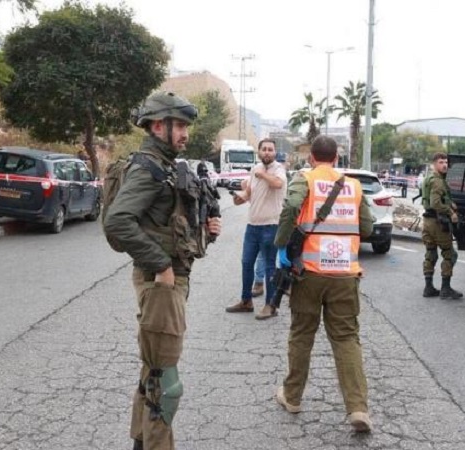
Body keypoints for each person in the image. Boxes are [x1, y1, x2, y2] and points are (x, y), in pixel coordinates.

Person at [104, 91, 222, 450]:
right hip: (161, 283)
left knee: (152, 371)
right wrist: (161, 266)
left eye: (186, 126)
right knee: (165, 383)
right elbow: (118, 222)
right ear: (158, 126)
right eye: (180, 126)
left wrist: (207, 230)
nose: (185, 133)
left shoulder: (165, 165)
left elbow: (169, 225)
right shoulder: (149, 168)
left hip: (168, 280)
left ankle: (141, 443)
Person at [273, 135, 375, 433]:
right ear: (336, 158)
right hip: (345, 275)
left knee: (302, 333)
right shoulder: (354, 185)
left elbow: (291, 207)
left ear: (311, 157)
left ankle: (292, 397)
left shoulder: (304, 179)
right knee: (346, 338)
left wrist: (281, 242)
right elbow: (367, 228)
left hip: (310, 272)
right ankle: (358, 408)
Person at [225, 138, 287, 319]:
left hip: (271, 225)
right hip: (252, 226)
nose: (267, 152)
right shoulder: (255, 169)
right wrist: (239, 198)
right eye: (264, 149)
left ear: (275, 152)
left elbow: (278, 184)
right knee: (246, 263)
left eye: (270, 149)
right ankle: (246, 301)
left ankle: (270, 305)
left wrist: (262, 175)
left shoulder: (279, 169)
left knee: (269, 267)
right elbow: (249, 193)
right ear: (259, 152)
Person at [420, 152, 463, 299]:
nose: (444, 165)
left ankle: (428, 287)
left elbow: (432, 199)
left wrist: (450, 202)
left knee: (430, 253)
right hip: (438, 223)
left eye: (446, 162)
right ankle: (445, 289)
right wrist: (451, 212)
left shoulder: (428, 178)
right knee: (450, 254)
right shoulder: (438, 181)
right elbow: (436, 203)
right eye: (441, 162)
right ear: (434, 164)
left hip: (427, 222)